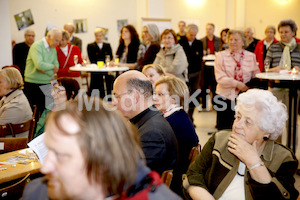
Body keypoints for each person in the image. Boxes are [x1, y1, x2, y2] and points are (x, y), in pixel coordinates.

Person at [22, 99, 181, 200]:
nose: (46, 166)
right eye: (48, 150)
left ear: (104, 162)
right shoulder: (36, 192)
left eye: (61, 155)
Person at [184, 89, 299, 200]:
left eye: (248, 122)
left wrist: (253, 162)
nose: (237, 125)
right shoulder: (219, 140)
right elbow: (193, 174)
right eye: (238, 117)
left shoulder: (283, 158)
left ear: (266, 131)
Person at [112, 70, 178, 175]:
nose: (113, 102)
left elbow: (128, 176)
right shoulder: (148, 120)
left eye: (117, 97)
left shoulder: (152, 133)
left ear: (135, 97)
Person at [154, 76, 199, 197]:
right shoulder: (179, 116)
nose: (154, 98)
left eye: (160, 94)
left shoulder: (170, 122)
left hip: (171, 180)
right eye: (155, 93)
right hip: (176, 173)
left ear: (175, 99)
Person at [214, 30, 260, 130]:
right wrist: (238, 84)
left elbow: (256, 75)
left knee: (243, 128)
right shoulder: (220, 56)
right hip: (225, 96)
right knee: (224, 130)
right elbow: (220, 78)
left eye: (236, 39)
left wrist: (247, 86)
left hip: (245, 96)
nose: (232, 42)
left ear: (243, 41)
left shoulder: (251, 56)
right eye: (230, 39)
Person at [24, 28, 61, 117]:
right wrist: (51, 67)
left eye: (59, 41)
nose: (58, 43)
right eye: (56, 40)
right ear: (49, 36)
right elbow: (39, 65)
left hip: (47, 82)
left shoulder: (53, 48)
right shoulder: (37, 46)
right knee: (35, 114)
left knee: (48, 112)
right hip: (33, 84)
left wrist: (45, 71)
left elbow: (57, 66)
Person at [179, 24, 203, 123]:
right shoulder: (181, 42)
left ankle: (191, 117)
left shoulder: (199, 43)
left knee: (194, 94)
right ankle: (183, 116)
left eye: (194, 35)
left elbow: (199, 58)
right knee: (184, 95)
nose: (192, 36)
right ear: (186, 32)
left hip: (196, 73)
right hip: (184, 73)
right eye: (190, 34)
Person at [0, 67, 32, 138]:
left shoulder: (14, 106)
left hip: (10, 145)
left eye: (0, 82)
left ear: (11, 82)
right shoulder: (11, 96)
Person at [87, 27, 114, 98]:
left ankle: (109, 98)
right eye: (97, 36)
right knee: (96, 83)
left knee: (109, 81)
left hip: (106, 69)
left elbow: (110, 57)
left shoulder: (107, 45)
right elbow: (92, 59)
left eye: (100, 35)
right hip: (96, 70)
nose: (98, 37)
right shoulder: (90, 46)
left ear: (103, 36)